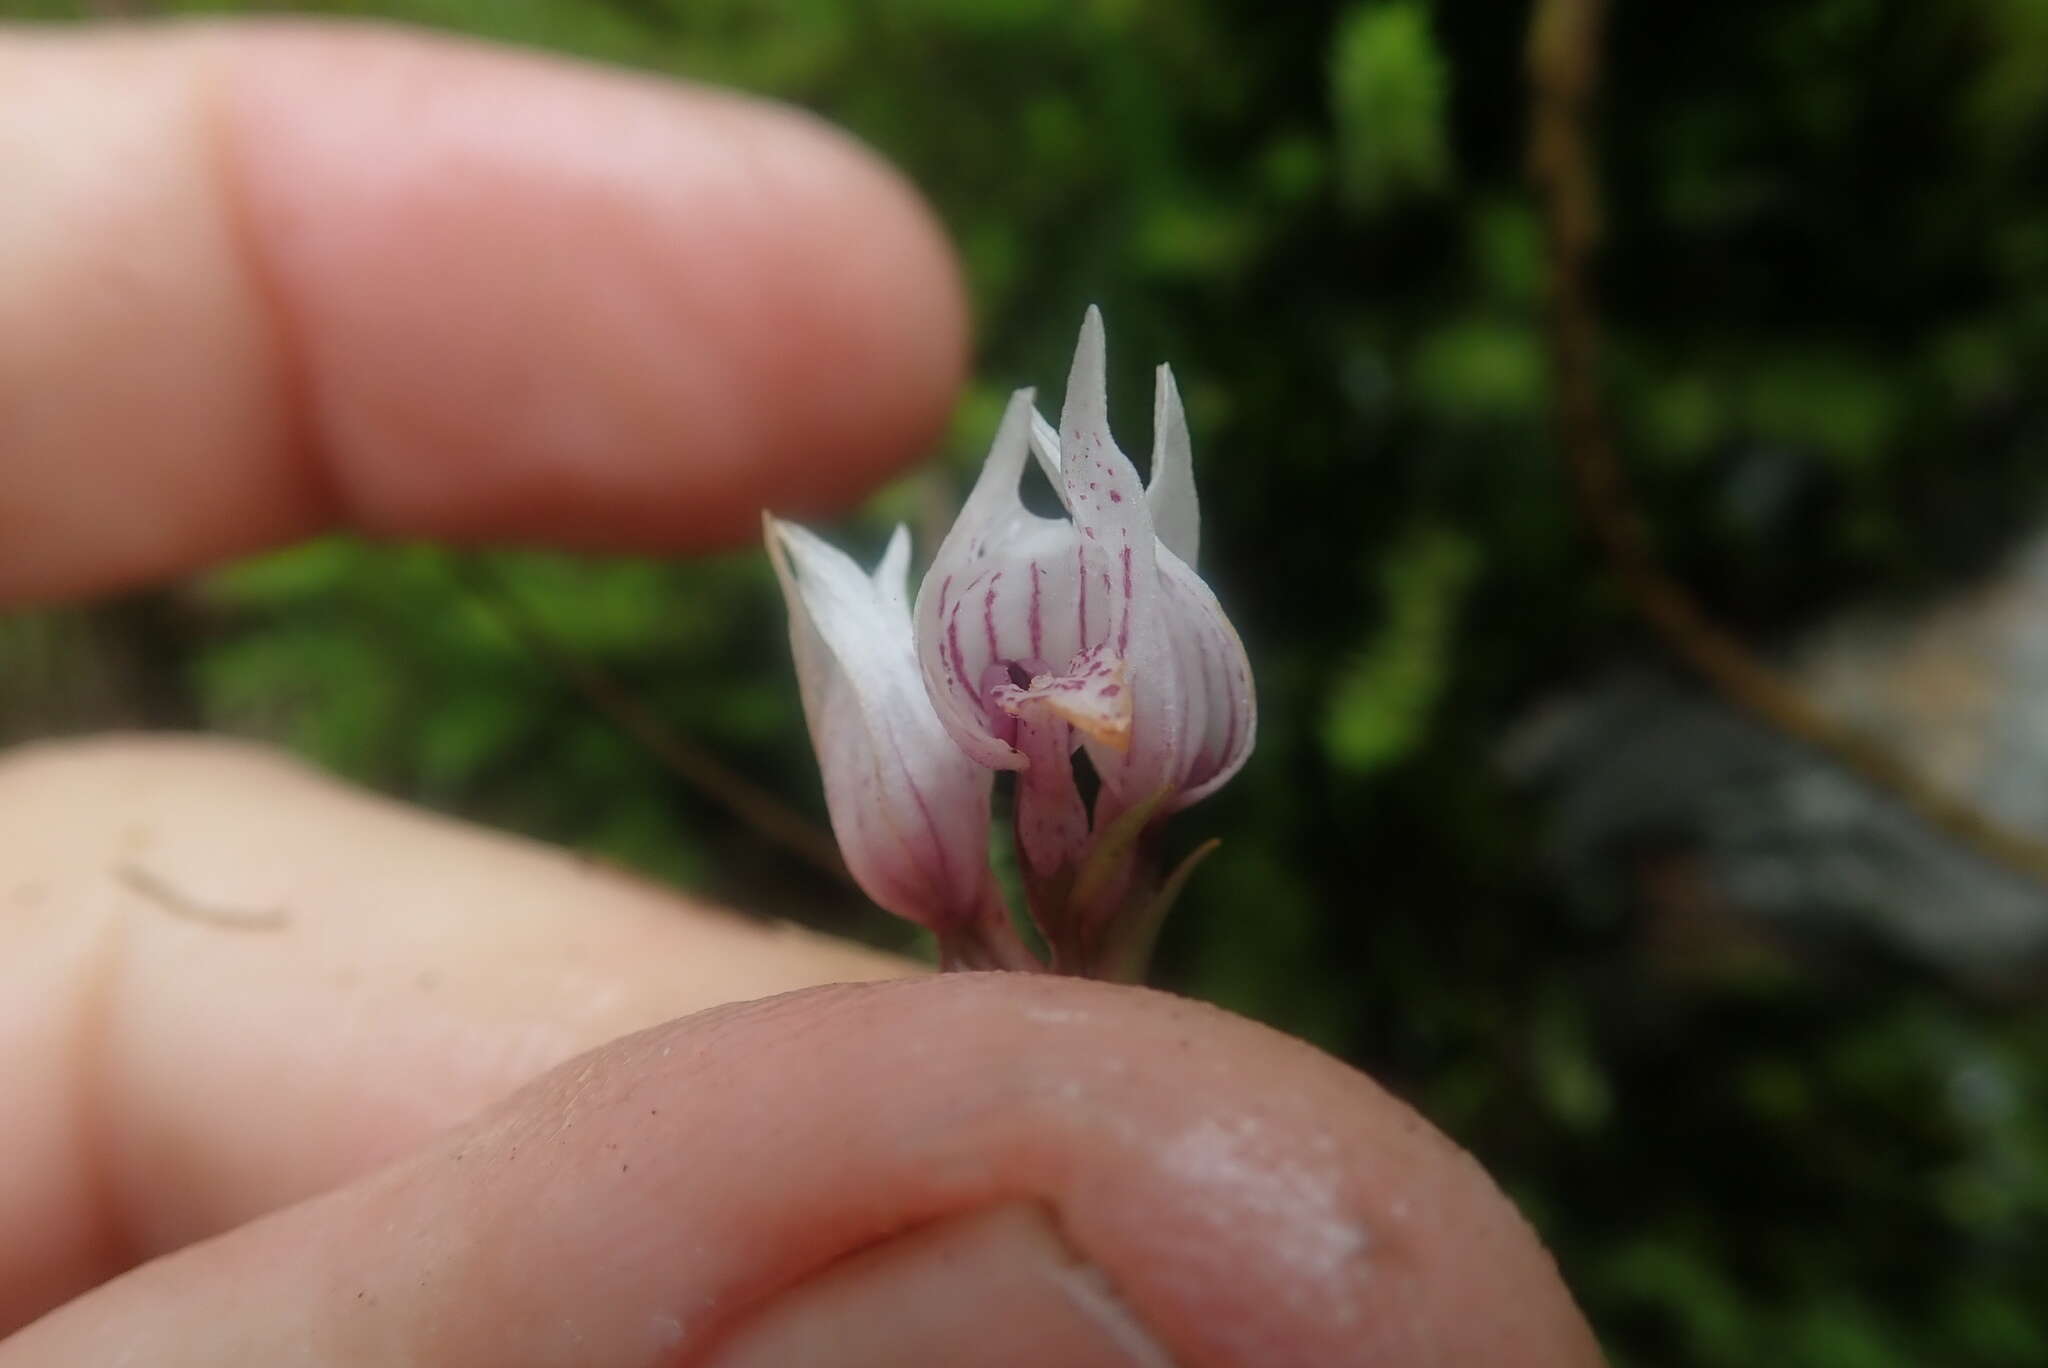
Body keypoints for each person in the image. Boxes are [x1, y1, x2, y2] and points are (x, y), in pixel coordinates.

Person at [0, 21, 1603, 1365]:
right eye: (1040, 645)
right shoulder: (962, 792)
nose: (1071, 682)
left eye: (1104, 631)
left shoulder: (1117, 731)